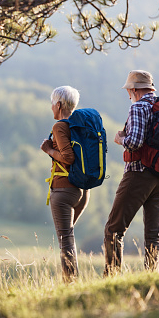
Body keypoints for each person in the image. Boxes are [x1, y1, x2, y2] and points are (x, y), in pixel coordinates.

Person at [104, 70, 159, 275]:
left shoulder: (138, 108)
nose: (128, 94)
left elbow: (134, 142)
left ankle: (112, 277)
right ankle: (152, 275)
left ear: (134, 90)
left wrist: (119, 139)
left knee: (114, 229)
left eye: (129, 91)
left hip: (138, 175)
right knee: (153, 234)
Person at [40, 86, 90, 283]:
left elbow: (68, 158)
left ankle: (70, 283)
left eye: (52, 103)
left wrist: (48, 150)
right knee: (68, 236)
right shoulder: (81, 125)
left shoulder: (60, 126)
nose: (51, 107)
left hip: (64, 190)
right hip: (82, 191)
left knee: (65, 239)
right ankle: (72, 281)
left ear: (59, 105)